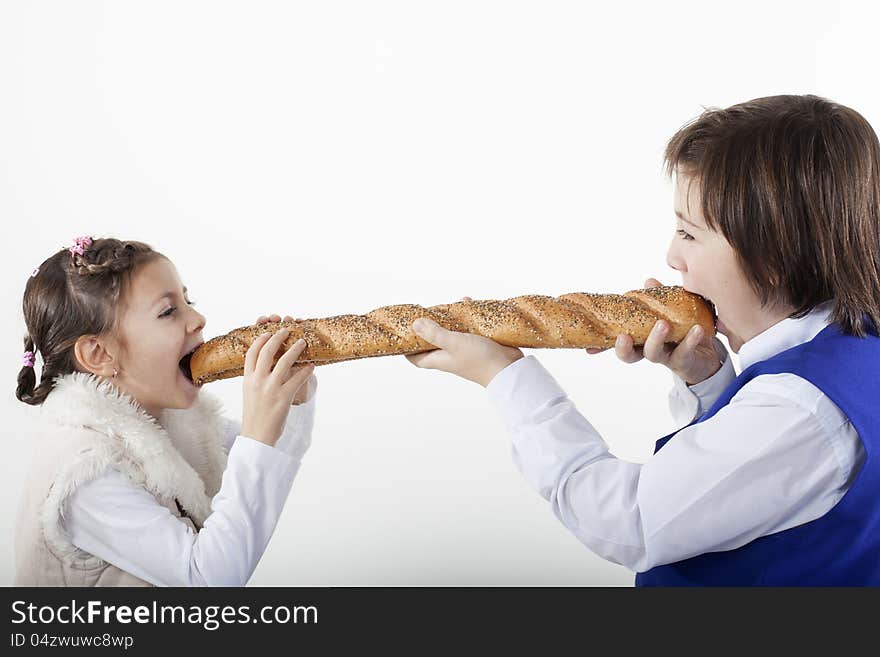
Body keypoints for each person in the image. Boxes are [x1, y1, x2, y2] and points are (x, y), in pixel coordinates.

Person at [406, 94, 880, 585]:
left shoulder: (797, 412)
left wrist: (504, 375)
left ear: (772, 258)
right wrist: (708, 381)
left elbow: (627, 523)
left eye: (689, 233)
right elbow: (752, 487)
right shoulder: (854, 349)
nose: (672, 256)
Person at [15, 236, 317, 586]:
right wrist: (258, 434)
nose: (199, 319)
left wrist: (292, 398)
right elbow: (207, 578)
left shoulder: (177, 421)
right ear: (99, 354)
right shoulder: (87, 474)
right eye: (169, 311)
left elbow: (266, 469)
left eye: (188, 301)